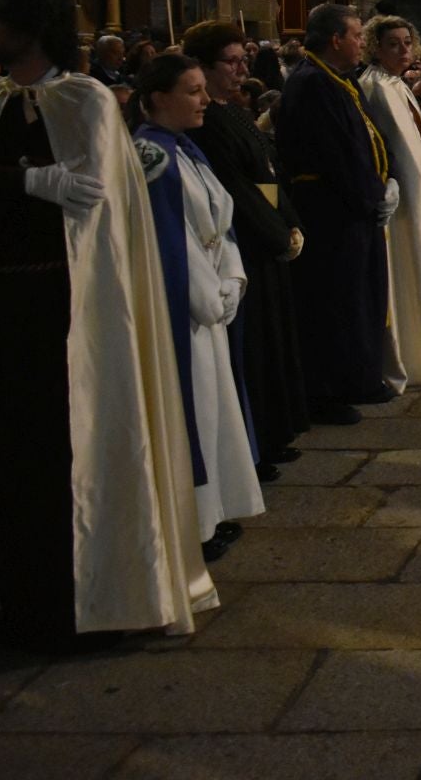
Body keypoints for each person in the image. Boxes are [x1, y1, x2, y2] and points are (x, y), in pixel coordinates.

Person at [0, 0, 213, 646]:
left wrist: (24, 184)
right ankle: (15, 598)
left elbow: (101, 206)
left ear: (29, 26)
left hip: (67, 308)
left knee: (65, 448)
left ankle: (83, 596)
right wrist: (24, 180)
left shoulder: (86, 101)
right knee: (2, 451)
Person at [130, 54, 264, 559]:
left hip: (210, 296)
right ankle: (194, 522)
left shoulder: (185, 148)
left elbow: (217, 221)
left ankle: (214, 511)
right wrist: (210, 294)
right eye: (192, 91)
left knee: (214, 409)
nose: (205, 99)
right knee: (196, 409)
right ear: (157, 98)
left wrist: (232, 275)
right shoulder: (151, 155)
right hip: (186, 308)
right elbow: (170, 239)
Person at [182, 20, 309, 479]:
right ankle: (257, 444)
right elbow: (236, 188)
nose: (241, 71)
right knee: (252, 349)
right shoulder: (207, 125)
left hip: (268, 237)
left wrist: (290, 221)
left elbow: (268, 173)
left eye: (244, 60)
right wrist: (277, 233)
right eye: (231, 62)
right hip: (247, 245)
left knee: (273, 342)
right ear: (201, 66)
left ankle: (274, 433)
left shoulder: (232, 112)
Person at [277, 3, 398, 423]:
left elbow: (368, 137)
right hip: (330, 210)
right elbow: (336, 154)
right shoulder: (312, 84)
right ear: (335, 40)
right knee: (332, 303)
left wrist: (387, 180)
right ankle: (327, 391)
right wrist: (371, 195)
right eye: (357, 35)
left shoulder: (338, 80)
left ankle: (358, 378)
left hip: (352, 208)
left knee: (356, 299)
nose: (362, 43)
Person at [362, 16, 421, 387]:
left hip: (416, 192)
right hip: (398, 200)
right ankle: (404, 355)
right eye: (393, 44)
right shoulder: (375, 86)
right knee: (402, 270)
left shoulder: (397, 84)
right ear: (375, 47)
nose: (403, 50)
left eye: (407, 42)